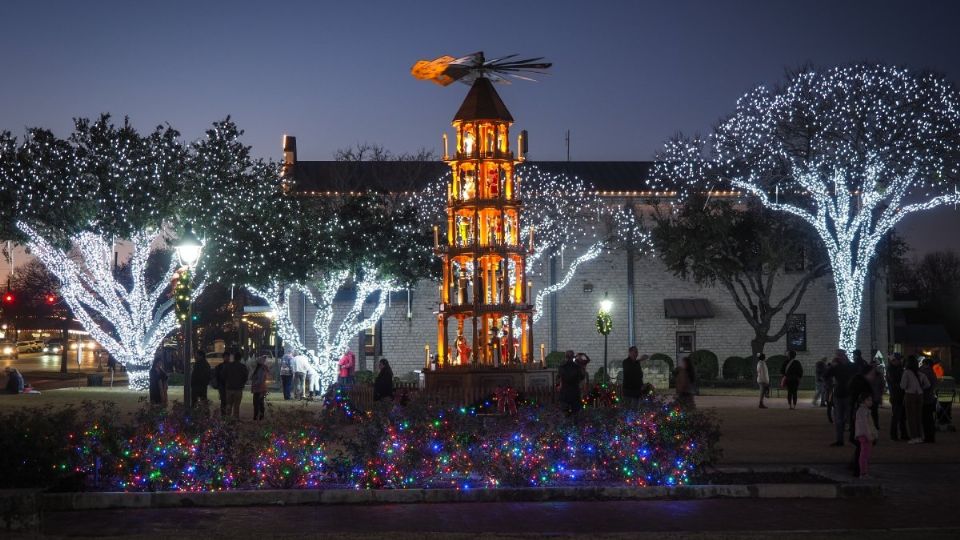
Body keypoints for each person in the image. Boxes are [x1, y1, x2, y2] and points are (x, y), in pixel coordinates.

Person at [825, 350, 853, 446]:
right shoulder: (838, 366)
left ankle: (851, 437)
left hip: (847, 394)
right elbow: (825, 376)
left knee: (848, 417)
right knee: (839, 418)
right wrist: (831, 367)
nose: (839, 357)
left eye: (840, 355)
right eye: (838, 355)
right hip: (840, 394)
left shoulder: (849, 366)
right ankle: (840, 439)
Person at [900, 355, 930, 444]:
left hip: (910, 395)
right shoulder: (920, 373)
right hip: (920, 395)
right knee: (918, 416)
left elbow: (902, 386)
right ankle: (920, 436)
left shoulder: (906, 372)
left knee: (911, 417)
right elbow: (927, 385)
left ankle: (914, 437)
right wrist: (920, 388)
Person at [854, 393, 879, 479]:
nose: (871, 402)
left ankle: (864, 472)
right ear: (863, 401)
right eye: (868, 400)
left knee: (865, 455)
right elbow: (866, 425)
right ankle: (863, 473)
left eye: (871, 400)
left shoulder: (864, 411)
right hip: (865, 436)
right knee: (864, 455)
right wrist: (870, 435)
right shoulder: (863, 411)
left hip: (865, 435)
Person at [886, 353, 908, 441]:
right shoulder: (892, 370)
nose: (900, 361)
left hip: (898, 394)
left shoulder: (896, 369)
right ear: (893, 360)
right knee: (896, 416)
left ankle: (902, 434)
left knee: (901, 416)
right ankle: (894, 435)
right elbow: (895, 382)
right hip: (896, 395)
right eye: (898, 360)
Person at [223, 350, 249, 419]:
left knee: (229, 405)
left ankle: (227, 419)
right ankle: (235, 419)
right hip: (238, 389)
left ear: (234, 358)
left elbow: (224, 375)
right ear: (240, 358)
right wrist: (242, 383)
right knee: (236, 406)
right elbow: (245, 377)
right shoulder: (242, 367)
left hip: (229, 388)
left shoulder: (228, 366)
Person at [557, 350, 585, 415]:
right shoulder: (577, 367)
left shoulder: (562, 367)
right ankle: (575, 423)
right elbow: (582, 377)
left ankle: (566, 422)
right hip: (575, 391)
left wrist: (559, 385)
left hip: (565, 392)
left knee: (565, 411)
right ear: (573, 357)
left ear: (565, 357)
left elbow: (559, 378)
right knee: (575, 412)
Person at [919, 358, 939, 443]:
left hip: (925, 398)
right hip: (930, 398)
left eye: (923, 364)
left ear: (926, 364)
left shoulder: (925, 372)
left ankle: (928, 437)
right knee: (930, 418)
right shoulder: (933, 373)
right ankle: (931, 436)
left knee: (925, 419)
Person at [866, 363, 884, 431]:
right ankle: (873, 425)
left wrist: (880, 393)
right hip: (870, 395)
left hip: (874, 395)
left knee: (874, 411)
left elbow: (882, 384)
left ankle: (875, 424)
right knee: (871, 411)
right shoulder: (876, 375)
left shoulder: (878, 375)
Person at [250, 354, 268, 421]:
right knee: (259, 403)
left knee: (258, 403)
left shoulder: (261, 369)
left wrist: (255, 383)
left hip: (259, 389)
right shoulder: (260, 369)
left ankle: (258, 416)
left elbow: (260, 379)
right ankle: (259, 416)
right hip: (260, 389)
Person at [213, 351, 230, 416]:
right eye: (226, 357)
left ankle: (227, 415)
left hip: (229, 386)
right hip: (222, 386)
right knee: (223, 401)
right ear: (223, 357)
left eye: (228, 357)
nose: (227, 358)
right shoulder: (220, 366)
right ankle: (223, 414)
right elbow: (217, 376)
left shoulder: (231, 365)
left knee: (229, 402)